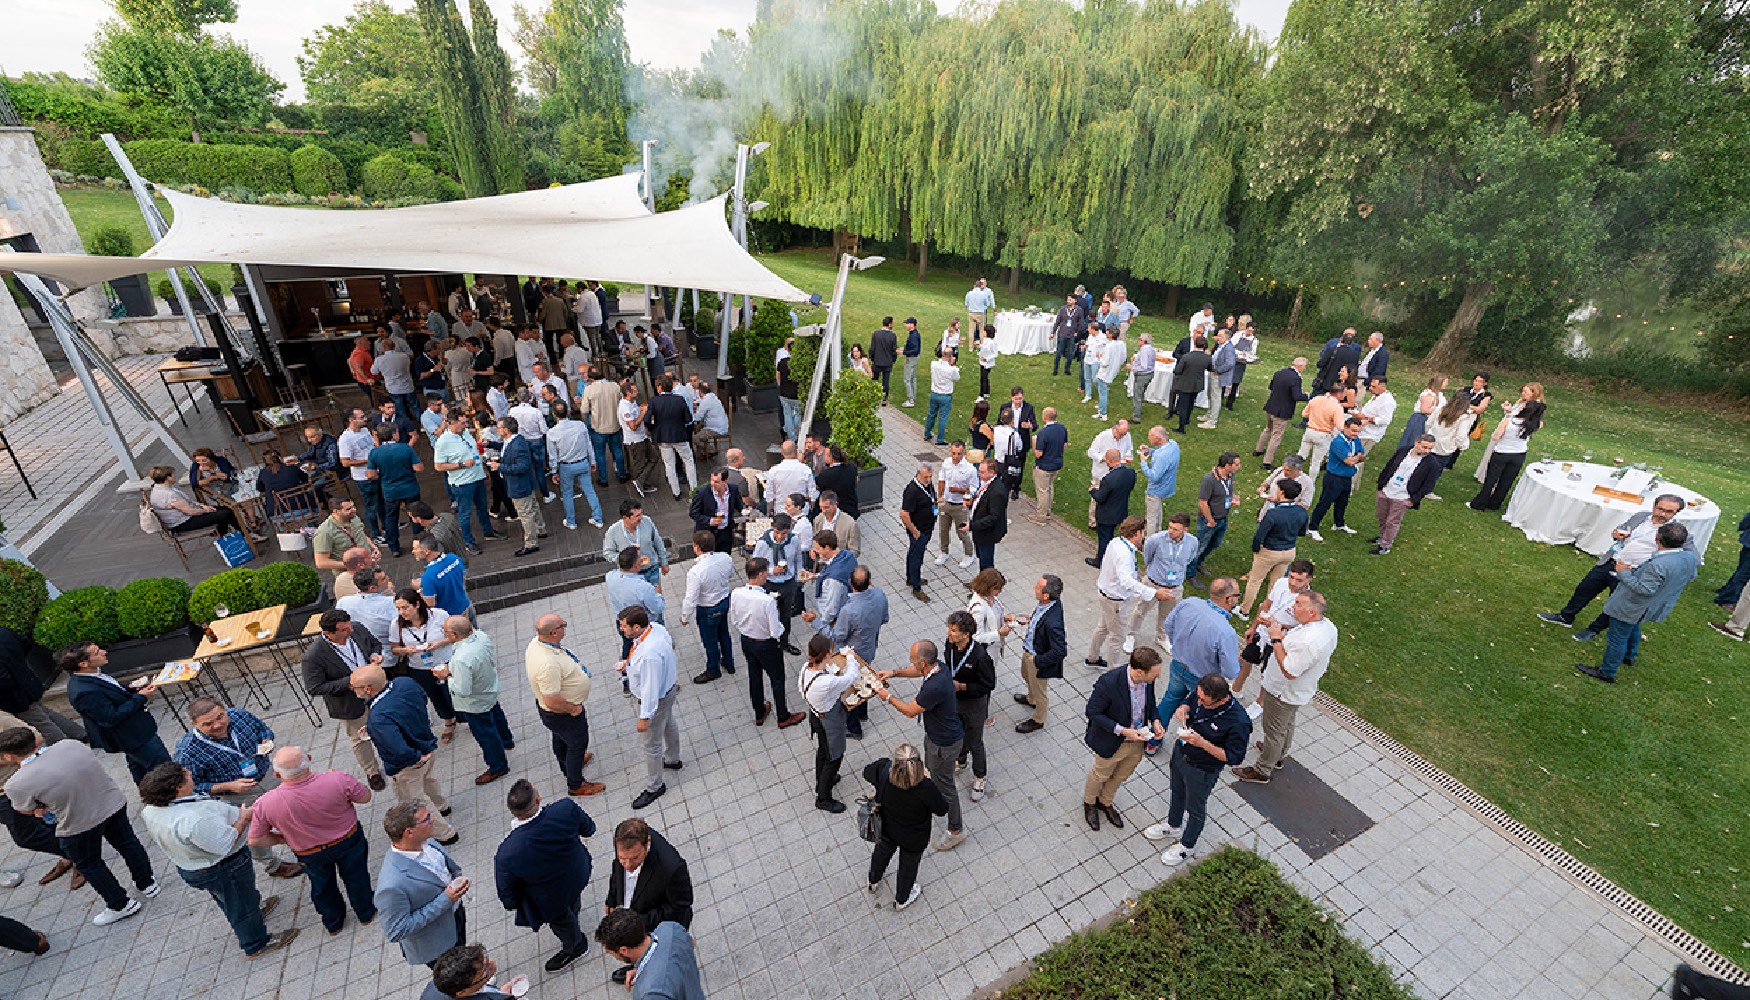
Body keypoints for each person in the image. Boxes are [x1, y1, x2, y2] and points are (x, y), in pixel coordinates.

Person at [137, 763, 299, 957]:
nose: (190, 772)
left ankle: (254, 911)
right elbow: (225, 843)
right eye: (185, 774)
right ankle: (256, 943)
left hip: (193, 865)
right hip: (222, 867)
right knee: (238, 903)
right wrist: (244, 818)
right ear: (177, 787)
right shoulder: (193, 820)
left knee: (231, 898)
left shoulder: (152, 809)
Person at [0, 727, 158, 926]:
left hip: (78, 823)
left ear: (7, 756)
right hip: (111, 802)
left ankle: (120, 904)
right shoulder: (69, 744)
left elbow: (25, 810)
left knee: (88, 863)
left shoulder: (15, 784)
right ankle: (147, 883)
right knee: (128, 844)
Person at [170, 698, 302, 878]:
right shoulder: (187, 752)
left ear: (225, 710)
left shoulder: (239, 715)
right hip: (236, 796)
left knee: (292, 811)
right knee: (255, 831)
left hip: (269, 775)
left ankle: (304, 843)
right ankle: (273, 865)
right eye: (208, 724)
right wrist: (227, 786)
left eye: (220, 717)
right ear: (194, 724)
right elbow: (190, 788)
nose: (217, 725)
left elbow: (262, 729)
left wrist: (266, 740)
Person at [1141, 673, 1252, 865]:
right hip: (1181, 754)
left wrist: (1203, 744)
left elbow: (1234, 757)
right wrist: (1183, 709)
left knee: (1196, 808)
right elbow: (1189, 701)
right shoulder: (1201, 695)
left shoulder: (1238, 721)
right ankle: (1173, 825)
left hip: (1203, 769)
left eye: (1204, 701)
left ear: (1222, 698)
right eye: (1198, 697)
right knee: (1177, 792)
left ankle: (1187, 846)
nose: (1199, 703)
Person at [1232, 590, 1336, 784]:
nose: (1292, 607)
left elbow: (1289, 670)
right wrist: (1278, 627)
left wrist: (1276, 639)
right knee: (1286, 724)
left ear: (1312, 612)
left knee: (1273, 730)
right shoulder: (1327, 626)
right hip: (1299, 690)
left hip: (1283, 690)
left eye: (1298, 604)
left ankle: (1263, 770)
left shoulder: (1308, 642)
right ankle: (1278, 755)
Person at [872, 640, 967, 851]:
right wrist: (894, 673)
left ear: (923, 662)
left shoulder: (933, 687)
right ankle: (940, 774)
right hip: (938, 737)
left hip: (943, 742)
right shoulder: (938, 667)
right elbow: (917, 672)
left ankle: (955, 829)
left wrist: (887, 697)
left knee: (946, 785)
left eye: (913, 660)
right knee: (935, 770)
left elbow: (909, 710)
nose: (911, 662)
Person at [1576, 522, 1699, 684]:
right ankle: (1629, 656)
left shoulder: (1658, 565)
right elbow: (1691, 576)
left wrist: (1624, 572)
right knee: (1633, 627)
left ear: (1657, 539)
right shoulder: (1689, 558)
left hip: (1633, 606)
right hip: (1655, 606)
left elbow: (1644, 589)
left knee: (1616, 637)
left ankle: (1607, 671)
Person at [493, 779, 596, 972]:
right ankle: (575, 914)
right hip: (577, 873)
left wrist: (516, 905)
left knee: (562, 921)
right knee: (572, 901)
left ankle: (576, 946)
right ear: (538, 799)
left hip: (549, 899)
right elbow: (589, 829)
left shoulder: (507, 852)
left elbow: (507, 893)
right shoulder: (565, 808)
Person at [352, 664, 457, 844]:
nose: (353, 691)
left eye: (355, 688)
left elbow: (397, 748)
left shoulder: (379, 717)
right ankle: (442, 806)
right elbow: (421, 701)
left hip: (409, 763)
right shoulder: (404, 682)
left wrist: (415, 758)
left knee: (417, 799)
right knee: (429, 780)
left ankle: (445, 834)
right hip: (427, 743)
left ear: (368, 689)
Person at [58, 642, 170, 785]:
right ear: (83, 663)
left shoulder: (92, 675)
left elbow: (110, 696)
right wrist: (140, 697)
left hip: (134, 734)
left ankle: (149, 794)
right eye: (97, 652)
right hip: (132, 736)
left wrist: (129, 689)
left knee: (139, 766)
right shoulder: (84, 691)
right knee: (163, 768)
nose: (104, 652)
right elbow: (110, 717)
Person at [300, 610, 387, 789]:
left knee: (386, 725)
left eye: (349, 626)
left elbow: (375, 644)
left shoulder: (357, 628)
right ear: (329, 633)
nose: (350, 630)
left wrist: (374, 655)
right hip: (350, 702)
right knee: (360, 738)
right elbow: (315, 688)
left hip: (377, 691)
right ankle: (372, 772)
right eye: (344, 629)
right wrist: (352, 681)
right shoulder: (313, 656)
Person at [1081, 647, 1165, 831]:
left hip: (1137, 740)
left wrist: (1156, 720)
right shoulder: (1109, 682)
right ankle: (1089, 804)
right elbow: (1093, 712)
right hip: (1113, 741)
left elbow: (1150, 703)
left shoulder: (1147, 681)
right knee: (1100, 774)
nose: (1157, 678)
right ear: (1139, 672)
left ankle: (1105, 801)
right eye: (1155, 674)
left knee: (1121, 775)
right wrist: (1123, 731)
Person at [603, 818, 694, 987]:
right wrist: (612, 898)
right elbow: (617, 870)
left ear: (647, 843)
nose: (628, 865)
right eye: (623, 858)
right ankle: (636, 964)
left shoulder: (672, 867)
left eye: (635, 858)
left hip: (658, 925)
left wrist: (636, 923)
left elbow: (680, 906)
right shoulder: (624, 843)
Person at [376, 802, 468, 966]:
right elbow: (396, 930)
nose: (432, 820)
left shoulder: (428, 841)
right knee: (457, 981)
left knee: (464, 955)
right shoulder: (391, 885)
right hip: (437, 944)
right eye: (426, 819)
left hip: (455, 917)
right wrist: (445, 900)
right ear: (409, 832)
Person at [524, 613, 604, 797]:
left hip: (555, 714)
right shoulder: (547, 663)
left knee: (561, 739)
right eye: (563, 625)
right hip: (563, 712)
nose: (565, 627)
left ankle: (569, 764)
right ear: (553, 632)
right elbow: (552, 700)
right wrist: (572, 708)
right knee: (577, 743)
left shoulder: (538, 643)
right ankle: (576, 784)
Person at [862, 744, 948, 911]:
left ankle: (873, 881)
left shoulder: (885, 771)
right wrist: (928, 779)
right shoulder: (926, 788)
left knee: (882, 852)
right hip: (914, 838)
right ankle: (902, 899)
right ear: (918, 766)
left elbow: (867, 772)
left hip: (887, 827)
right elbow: (942, 809)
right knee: (908, 867)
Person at [617, 607, 683, 810]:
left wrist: (645, 716)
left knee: (651, 745)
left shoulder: (649, 655)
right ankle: (673, 758)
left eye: (623, 626)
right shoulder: (655, 628)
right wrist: (629, 665)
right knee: (669, 723)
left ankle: (655, 786)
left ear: (636, 627)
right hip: (668, 691)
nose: (621, 629)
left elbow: (650, 688)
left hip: (658, 699)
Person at [1087, 517, 1172, 668]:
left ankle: (1092, 657)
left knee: (1103, 628)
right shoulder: (1124, 554)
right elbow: (1127, 582)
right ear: (1137, 533)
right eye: (1143, 532)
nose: (1144, 536)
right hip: (1116, 601)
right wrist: (1154, 593)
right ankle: (1113, 670)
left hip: (1106, 595)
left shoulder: (1116, 542)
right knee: (1117, 637)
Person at [729, 558, 802, 731]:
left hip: (746, 640)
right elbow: (776, 631)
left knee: (754, 676)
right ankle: (783, 716)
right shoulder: (767, 601)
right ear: (761, 574)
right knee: (777, 678)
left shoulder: (737, 593)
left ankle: (759, 712)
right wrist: (781, 625)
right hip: (766, 644)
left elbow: (734, 620)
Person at [443, 616, 514, 785]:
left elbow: (463, 689)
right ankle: (506, 740)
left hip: (474, 701)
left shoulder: (461, 658)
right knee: (497, 715)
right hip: (489, 687)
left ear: (454, 635)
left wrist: (447, 676)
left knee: (485, 734)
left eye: (445, 632)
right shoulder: (481, 636)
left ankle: (498, 766)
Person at [794, 635, 856, 813]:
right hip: (830, 721)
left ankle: (821, 781)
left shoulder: (806, 668)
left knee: (823, 751)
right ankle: (823, 798)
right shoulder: (826, 682)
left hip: (816, 715)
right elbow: (850, 677)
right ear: (828, 654)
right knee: (834, 757)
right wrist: (850, 656)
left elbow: (802, 688)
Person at [827, 566, 888, 740]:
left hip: (851, 655)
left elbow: (838, 637)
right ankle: (863, 713)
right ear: (869, 582)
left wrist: (817, 623)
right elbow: (885, 618)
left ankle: (854, 728)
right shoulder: (880, 595)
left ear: (849, 583)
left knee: (850, 689)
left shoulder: (849, 610)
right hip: (869, 649)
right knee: (864, 677)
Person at [595, 909, 706, 1000]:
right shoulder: (669, 927)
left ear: (624, 950)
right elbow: (690, 943)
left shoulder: (651, 993)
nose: (614, 956)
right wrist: (642, 970)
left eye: (611, 953)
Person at [1237, 480, 1308, 620]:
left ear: (1281, 492)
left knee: (1255, 581)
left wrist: (1256, 549)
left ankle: (1244, 611)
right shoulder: (1302, 512)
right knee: (1276, 584)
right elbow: (1302, 532)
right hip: (1289, 551)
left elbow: (1259, 535)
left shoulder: (1273, 513)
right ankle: (1268, 611)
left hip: (1269, 551)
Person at [1469, 383, 1546, 511]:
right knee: (1506, 481)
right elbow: (1538, 423)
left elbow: (1495, 436)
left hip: (1502, 451)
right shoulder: (1534, 424)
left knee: (1491, 479)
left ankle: (1479, 503)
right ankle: (1495, 504)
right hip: (1519, 453)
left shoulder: (1509, 421)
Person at [1132, 513, 1198, 649]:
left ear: (1185, 530)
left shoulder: (1193, 542)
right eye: (1170, 527)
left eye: (1175, 529)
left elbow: (1190, 559)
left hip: (1174, 587)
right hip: (1153, 583)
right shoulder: (1155, 540)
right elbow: (1147, 558)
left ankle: (1161, 637)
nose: (1171, 531)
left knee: (1167, 615)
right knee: (1140, 611)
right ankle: (1130, 634)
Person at [1009, 574, 1066, 734]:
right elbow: (1041, 617)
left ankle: (1038, 719)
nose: (1034, 588)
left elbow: (1060, 650)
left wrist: (1038, 661)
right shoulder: (1046, 604)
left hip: (1037, 658)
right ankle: (1030, 698)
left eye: (1038, 587)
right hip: (1030, 649)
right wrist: (1033, 620)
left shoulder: (1053, 622)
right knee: (1026, 675)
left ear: (1046, 595)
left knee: (1040, 690)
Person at [679, 531, 737, 685]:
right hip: (724, 601)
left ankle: (713, 669)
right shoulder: (725, 558)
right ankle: (729, 663)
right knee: (724, 632)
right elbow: (730, 574)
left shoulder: (696, 572)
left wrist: (685, 617)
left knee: (710, 640)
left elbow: (690, 598)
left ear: (697, 547)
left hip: (707, 608)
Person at [1370, 433, 1441, 556]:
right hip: (1386, 490)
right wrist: (1381, 485)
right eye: (1425, 447)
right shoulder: (1403, 451)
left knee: (1392, 522)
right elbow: (1389, 466)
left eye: (1430, 448)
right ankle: (1382, 537)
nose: (1427, 451)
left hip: (1403, 497)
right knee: (1382, 517)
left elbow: (1428, 486)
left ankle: (1385, 546)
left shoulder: (1432, 463)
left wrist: (1413, 500)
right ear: (1416, 443)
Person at [146, 465, 256, 542]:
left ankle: (226, 532)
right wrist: (205, 510)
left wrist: (202, 505)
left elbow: (186, 502)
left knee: (224, 509)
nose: (175, 476)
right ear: (168, 478)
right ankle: (245, 534)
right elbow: (191, 511)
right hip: (182, 523)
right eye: (173, 475)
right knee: (226, 514)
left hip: (183, 516)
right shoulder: (168, 494)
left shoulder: (159, 488)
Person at [543, 401, 605, 530]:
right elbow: (588, 445)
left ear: (554, 414)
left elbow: (553, 455)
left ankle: (571, 521)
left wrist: (554, 471)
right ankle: (598, 518)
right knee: (590, 490)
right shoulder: (580, 426)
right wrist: (592, 461)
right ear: (568, 411)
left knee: (567, 494)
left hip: (566, 466)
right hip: (583, 462)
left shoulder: (552, 433)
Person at [1303, 417, 1366, 544]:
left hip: (1347, 477)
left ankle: (1339, 523)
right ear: (1345, 428)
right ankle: (1312, 527)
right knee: (1325, 502)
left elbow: (1363, 456)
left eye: (1358, 431)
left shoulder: (1355, 440)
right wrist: (1355, 458)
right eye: (1353, 430)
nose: (1356, 434)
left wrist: (1356, 457)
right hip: (1334, 477)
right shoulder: (1338, 442)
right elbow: (1348, 461)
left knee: (1342, 502)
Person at [493, 415, 546, 557]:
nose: (497, 430)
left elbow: (521, 466)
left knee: (525, 514)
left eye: (498, 428)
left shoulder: (517, 445)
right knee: (533, 506)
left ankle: (531, 543)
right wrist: (491, 444)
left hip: (519, 485)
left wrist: (500, 466)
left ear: (506, 430)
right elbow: (506, 449)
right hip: (525, 484)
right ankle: (541, 529)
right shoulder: (515, 440)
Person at [1186, 452, 1241, 583]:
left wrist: (1233, 497)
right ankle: (1190, 573)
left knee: (1214, 543)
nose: (1239, 467)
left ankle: (1198, 563)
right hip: (1209, 520)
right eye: (1237, 464)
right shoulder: (1209, 479)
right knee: (1199, 546)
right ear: (1227, 465)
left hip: (1223, 517)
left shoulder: (1230, 475)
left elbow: (1228, 490)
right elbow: (1202, 502)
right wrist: (1210, 520)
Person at [647, 376, 698, 501]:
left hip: (663, 437)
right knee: (689, 461)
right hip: (680, 435)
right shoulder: (679, 400)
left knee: (669, 464)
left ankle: (676, 492)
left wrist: (654, 429)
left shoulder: (654, 401)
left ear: (659, 388)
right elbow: (688, 418)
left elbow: (647, 420)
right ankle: (694, 490)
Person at [1087, 449, 1138, 567]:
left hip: (1106, 514)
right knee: (1114, 536)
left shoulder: (1108, 479)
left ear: (1109, 461)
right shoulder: (1130, 473)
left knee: (1104, 538)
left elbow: (1100, 497)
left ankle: (1101, 561)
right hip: (1120, 511)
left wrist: (1093, 491)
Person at [604, 500, 671, 590]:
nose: (641, 518)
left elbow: (657, 542)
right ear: (625, 518)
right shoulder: (613, 531)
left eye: (641, 514)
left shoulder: (647, 521)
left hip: (651, 569)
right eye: (637, 516)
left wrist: (664, 562)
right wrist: (625, 559)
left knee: (657, 598)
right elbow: (607, 552)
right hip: (631, 575)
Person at [1256, 357, 1309, 469]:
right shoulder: (1295, 379)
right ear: (1300, 366)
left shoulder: (1279, 373)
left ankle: (1258, 450)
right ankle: (1267, 462)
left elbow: (1271, 386)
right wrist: (1306, 396)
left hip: (1271, 406)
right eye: (1305, 366)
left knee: (1267, 429)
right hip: (1282, 411)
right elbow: (1296, 396)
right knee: (1276, 436)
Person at [934, 441, 979, 569]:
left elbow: (974, 487)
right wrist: (940, 496)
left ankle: (969, 554)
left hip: (960, 505)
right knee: (943, 530)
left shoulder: (970, 469)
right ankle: (944, 552)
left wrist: (960, 491)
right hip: (946, 502)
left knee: (962, 532)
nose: (956, 456)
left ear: (964, 453)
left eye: (959, 454)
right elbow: (941, 479)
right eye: (953, 453)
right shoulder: (946, 463)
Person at [1084, 418, 1134, 529]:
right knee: (1097, 497)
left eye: (1124, 434)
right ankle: (1093, 522)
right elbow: (1091, 452)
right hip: (1101, 472)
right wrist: (1103, 458)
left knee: (1114, 497)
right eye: (1121, 434)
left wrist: (1127, 457)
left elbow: (1129, 450)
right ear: (1115, 429)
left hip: (1117, 473)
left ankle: (1113, 518)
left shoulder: (1127, 436)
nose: (1122, 437)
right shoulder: (1102, 436)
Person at [900, 464, 937, 600]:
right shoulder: (912, 491)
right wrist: (914, 531)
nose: (928, 479)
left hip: (927, 528)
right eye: (926, 477)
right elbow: (904, 514)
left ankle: (911, 577)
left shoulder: (927, 485)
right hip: (919, 531)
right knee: (917, 557)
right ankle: (916, 587)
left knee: (914, 553)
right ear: (918, 475)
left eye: (930, 476)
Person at [337, 567, 398, 649]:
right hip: (386, 653)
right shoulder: (392, 603)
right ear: (372, 588)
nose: (388, 579)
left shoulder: (343, 602)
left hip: (357, 650)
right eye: (383, 579)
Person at [689, 469, 745, 554]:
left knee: (725, 557)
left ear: (725, 481)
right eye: (711, 480)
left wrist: (744, 509)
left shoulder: (733, 489)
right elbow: (693, 513)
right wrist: (710, 520)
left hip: (725, 532)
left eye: (716, 482)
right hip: (708, 535)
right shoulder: (702, 493)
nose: (712, 484)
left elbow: (738, 504)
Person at [968, 458, 1010, 571]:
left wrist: (972, 526)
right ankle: (982, 582)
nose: (978, 474)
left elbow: (993, 517)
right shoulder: (985, 482)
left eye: (982, 472)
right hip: (979, 530)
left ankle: (987, 585)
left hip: (987, 533)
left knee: (986, 563)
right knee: (981, 558)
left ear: (992, 473)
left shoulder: (997, 492)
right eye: (979, 471)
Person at [1296, 384, 1346, 478]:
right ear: (1339, 394)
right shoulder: (1337, 407)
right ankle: (1311, 482)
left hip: (1310, 431)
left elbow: (1304, 414)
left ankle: (1294, 476)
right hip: (1323, 434)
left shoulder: (1316, 399)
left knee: (1301, 456)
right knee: (1316, 462)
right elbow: (1340, 426)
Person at [1139, 426, 1181, 536]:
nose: (1149, 440)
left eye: (1150, 437)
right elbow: (1160, 454)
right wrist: (1149, 451)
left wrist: (1143, 462)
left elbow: (1154, 476)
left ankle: (1149, 543)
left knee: (1151, 518)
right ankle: (1158, 535)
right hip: (1167, 487)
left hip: (1155, 490)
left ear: (1158, 438)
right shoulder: (1173, 445)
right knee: (1158, 512)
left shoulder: (1161, 456)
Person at [1169, 335, 1213, 433]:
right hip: (1197, 384)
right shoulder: (1207, 358)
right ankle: (1187, 419)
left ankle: (1181, 427)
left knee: (1183, 405)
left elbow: (1178, 370)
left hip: (1185, 383)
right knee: (1191, 403)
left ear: (1194, 344)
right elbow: (1210, 368)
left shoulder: (1186, 357)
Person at [1199, 328, 1236, 428]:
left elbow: (1230, 363)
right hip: (1213, 373)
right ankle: (1209, 414)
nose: (1218, 338)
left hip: (1218, 376)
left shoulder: (1228, 348)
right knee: (1210, 394)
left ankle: (1212, 421)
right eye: (1218, 335)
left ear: (1227, 337)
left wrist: (1218, 371)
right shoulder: (1220, 345)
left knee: (1215, 397)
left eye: (1220, 336)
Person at [924, 347, 960, 445]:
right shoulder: (951, 370)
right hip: (945, 395)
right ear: (951, 356)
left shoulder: (934, 364)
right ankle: (940, 439)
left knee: (931, 414)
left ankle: (927, 433)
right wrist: (953, 365)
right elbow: (957, 377)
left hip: (934, 393)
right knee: (942, 417)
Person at [812, 488, 861, 556]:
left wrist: (840, 559)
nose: (823, 511)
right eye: (821, 507)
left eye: (826, 507)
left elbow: (855, 551)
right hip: (821, 564)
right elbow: (814, 541)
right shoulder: (818, 519)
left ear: (835, 504)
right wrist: (813, 550)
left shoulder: (850, 524)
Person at [1127, 333, 1158, 422]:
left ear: (1143, 341)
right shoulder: (1151, 349)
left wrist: (1132, 368)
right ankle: (1138, 410)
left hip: (1142, 376)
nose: (1138, 341)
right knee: (1140, 394)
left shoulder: (1144, 350)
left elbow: (1144, 367)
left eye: (1139, 339)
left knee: (1137, 396)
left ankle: (1136, 417)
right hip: (1149, 374)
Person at [869, 316, 899, 400]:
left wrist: (872, 358)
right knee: (885, 381)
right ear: (889, 324)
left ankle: (872, 395)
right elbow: (894, 350)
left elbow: (872, 348)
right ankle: (884, 399)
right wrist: (893, 360)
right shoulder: (892, 336)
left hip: (877, 361)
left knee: (874, 379)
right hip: (887, 362)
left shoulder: (876, 334)